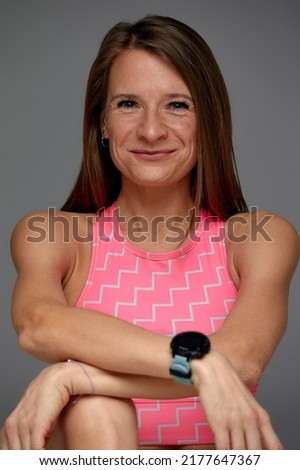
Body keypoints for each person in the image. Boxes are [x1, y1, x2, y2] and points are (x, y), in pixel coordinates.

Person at [1, 15, 299, 451]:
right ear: (101, 123)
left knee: (88, 393)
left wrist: (74, 376)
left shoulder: (258, 236)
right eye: (127, 104)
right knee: (95, 407)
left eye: (177, 105)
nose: (151, 130)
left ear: (208, 122)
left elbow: (240, 360)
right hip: (91, 451)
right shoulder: (52, 234)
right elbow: (38, 325)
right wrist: (202, 364)